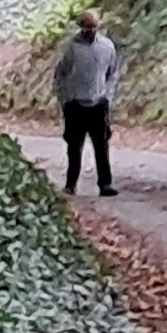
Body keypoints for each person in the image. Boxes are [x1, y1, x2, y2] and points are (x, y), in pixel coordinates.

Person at [51, 11, 122, 196]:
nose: (90, 31)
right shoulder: (71, 48)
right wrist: (65, 98)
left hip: (99, 102)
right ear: (80, 27)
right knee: (74, 146)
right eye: (86, 27)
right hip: (75, 103)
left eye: (93, 27)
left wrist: (107, 95)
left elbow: (112, 73)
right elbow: (60, 74)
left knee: (101, 145)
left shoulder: (107, 46)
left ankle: (105, 184)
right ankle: (71, 183)